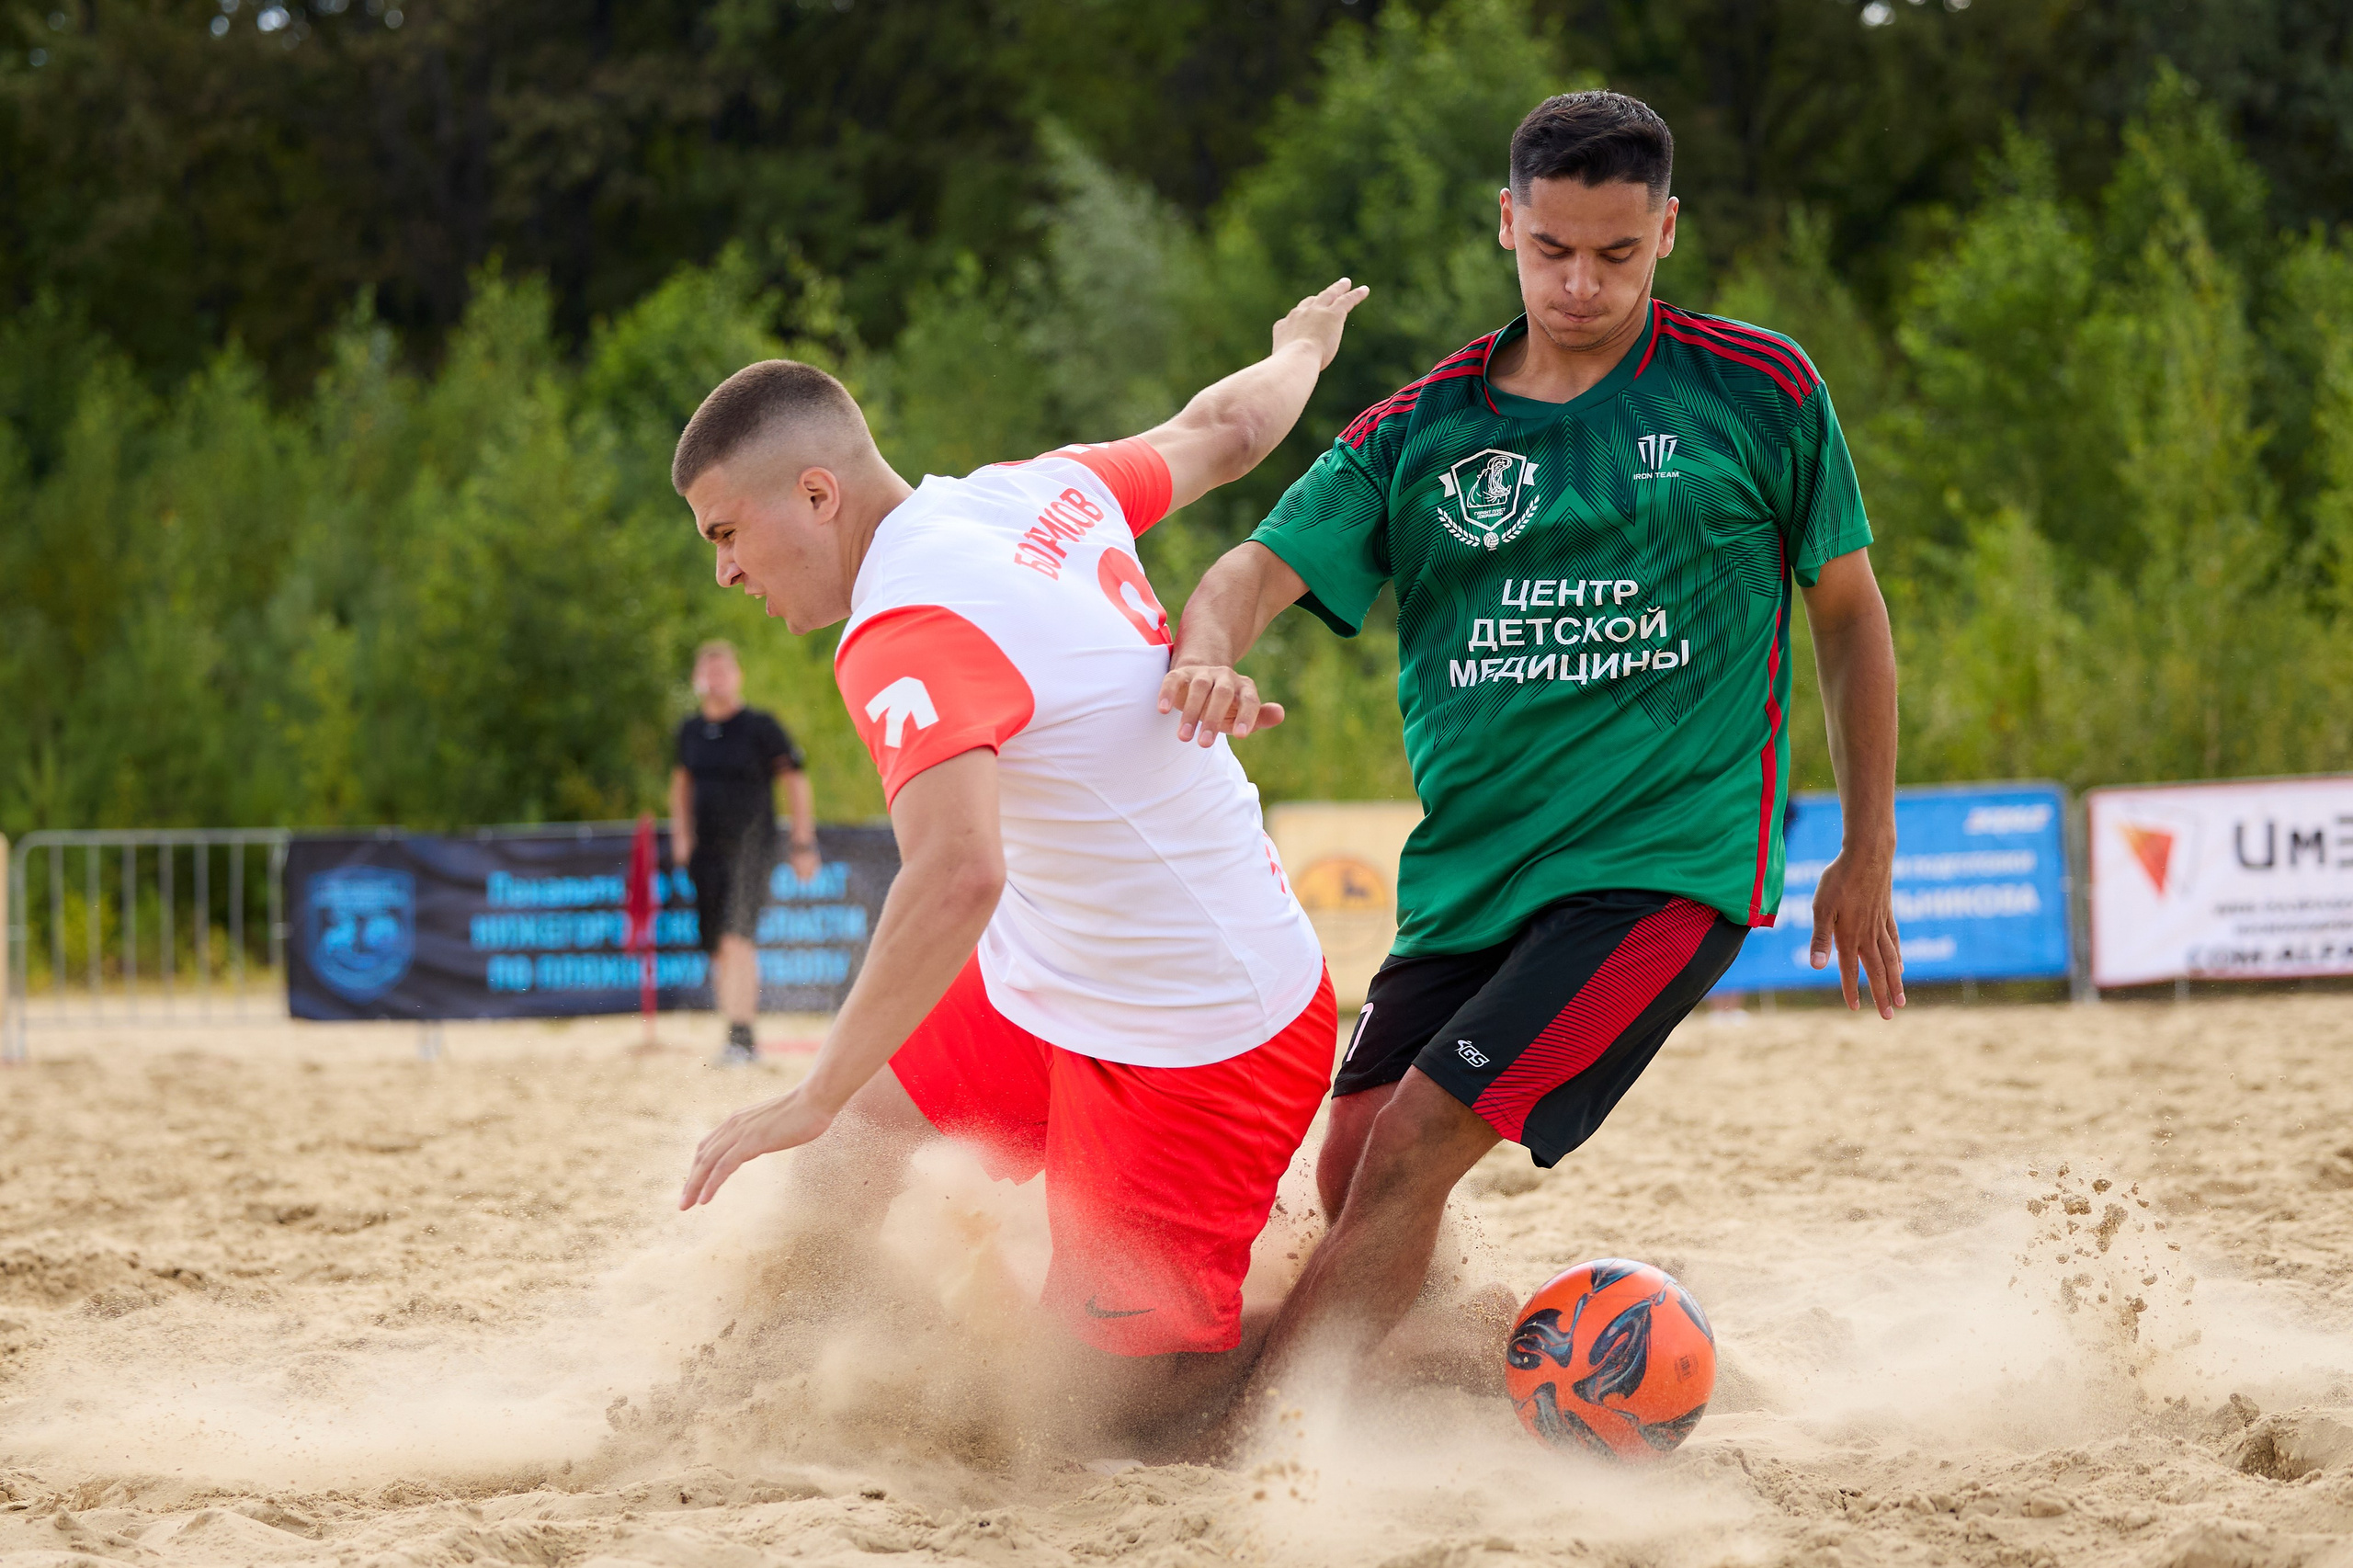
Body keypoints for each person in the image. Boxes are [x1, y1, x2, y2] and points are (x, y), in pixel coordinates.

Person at [1160, 92, 1905, 1431]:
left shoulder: (1763, 388)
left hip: (1660, 867)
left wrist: (1866, 850)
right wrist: (1209, 646)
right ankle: (1449, 1373)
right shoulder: (1419, 430)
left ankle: (1257, 1431)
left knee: (1411, 1147)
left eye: (1617, 254)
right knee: (1352, 1165)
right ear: (1507, 222)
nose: (1581, 282)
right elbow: (1243, 572)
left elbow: (1849, 615)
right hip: (1469, 879)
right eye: (1553, 247)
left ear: (1667, 231)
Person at [668, 280, 1373, 1438]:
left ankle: (1383, 1345)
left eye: (727, 534)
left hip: (1202, 1035)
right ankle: (767, 1397)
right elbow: (1226, 431)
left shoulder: (901, 626)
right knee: (845, 1155)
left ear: (816, 492)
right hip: (1058, 979)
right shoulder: (1022, 491)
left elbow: (955, 877)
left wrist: (812, 1085)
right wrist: (1300, 344)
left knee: (1109, 1419)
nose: (725, 573)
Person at [668, 640, 821, 1064]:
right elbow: (681, 785)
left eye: (723, 670)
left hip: (754, 848)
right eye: (709, 671)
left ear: (737, 676)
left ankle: (743, 1035)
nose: (716, 679)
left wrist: (803, 841)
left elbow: (796, 780)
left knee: (739, 938)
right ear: (699, 679)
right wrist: (681, 837)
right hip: (707, 851)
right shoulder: (690, 731)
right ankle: (732, 1033)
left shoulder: (760, 727)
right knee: (717, 945)